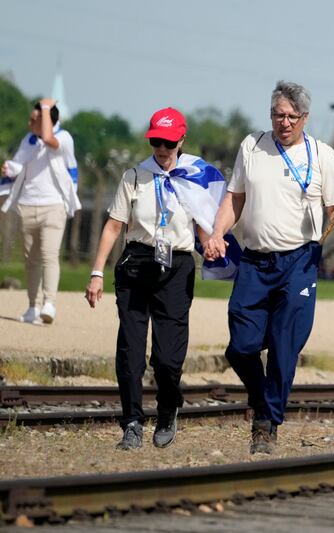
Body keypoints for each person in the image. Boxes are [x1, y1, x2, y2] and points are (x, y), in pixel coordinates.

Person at [204, 81, 334, 454]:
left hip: (299, 261)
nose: (283, 123)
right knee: (241, 347)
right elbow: (234, 198)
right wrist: (217, 232)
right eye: (277, 115)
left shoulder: (323, 155)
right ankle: (262, 400)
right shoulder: (252, 146)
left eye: (291, 117)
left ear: (305, 118)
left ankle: (266, 424)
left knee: (284, 348)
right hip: (254, 261)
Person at [85, 107, 216, 450]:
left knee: (167, 358)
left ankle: (168, 409)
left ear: (181, 141)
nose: (161, 148)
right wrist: (96, 273)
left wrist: (214, 248)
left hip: (178, 266)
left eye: (169, 142)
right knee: (130, 349)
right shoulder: (134, 176)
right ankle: (131, 422)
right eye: (156, 140)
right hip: (136, 264)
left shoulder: (193, 178)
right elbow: (114, 226)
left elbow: (204, 230)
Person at [1, 98, 80, 324]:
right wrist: (9, 168)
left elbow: (48, 138)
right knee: (30, 260)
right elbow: (19, 164)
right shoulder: (28, 140)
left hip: (53, 206)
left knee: (49, 255)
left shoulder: (63, 138)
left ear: (48, 119)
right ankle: (32, 306)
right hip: (27, 204)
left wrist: (45, 107)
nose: (29, 124)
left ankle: (49, 303)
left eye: (34, 119)